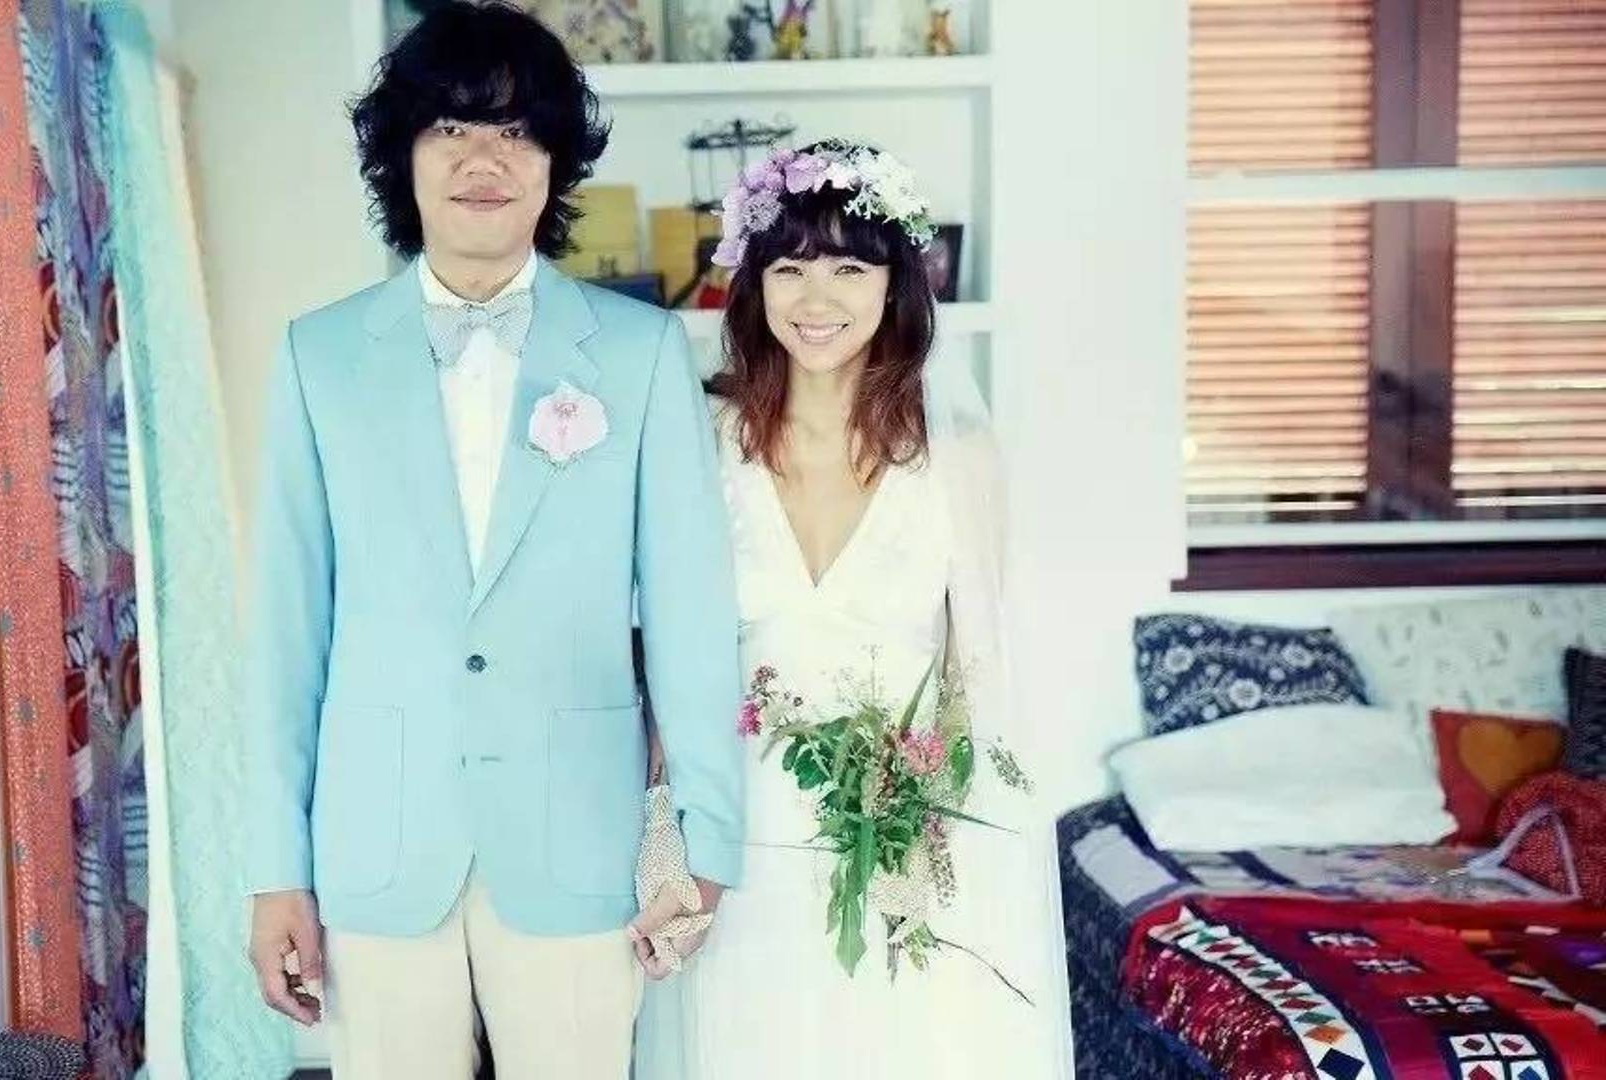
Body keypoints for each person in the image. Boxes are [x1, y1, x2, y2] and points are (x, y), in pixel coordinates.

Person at [238, 5, 744, 1077]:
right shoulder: (319, 356)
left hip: (578, 838)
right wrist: (275, 868)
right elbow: (287, 633)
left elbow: (693, 616)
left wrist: (706, 840)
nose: (484, 159)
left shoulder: (643, 352)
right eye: (451, 128)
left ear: (555, 163)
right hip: (378, 841)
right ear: (403, 155)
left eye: (516, 132)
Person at [632, 140, 1051, 1077]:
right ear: (754, 285)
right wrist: (665, 827)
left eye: (849, 270)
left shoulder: (958, 457)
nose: (816, 299)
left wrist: (943, 841)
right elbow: (671, 653)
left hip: (901, 843)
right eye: (789, 268)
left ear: (897, 284)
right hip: (735, 840)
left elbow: (980, 672)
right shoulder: (704, 439)